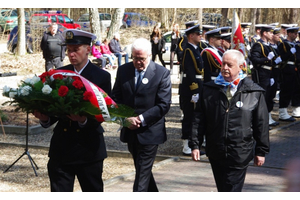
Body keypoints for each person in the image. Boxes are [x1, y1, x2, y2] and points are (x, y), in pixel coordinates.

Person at [33, 29, 111, 192]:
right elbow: (54, 110)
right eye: (69, 50)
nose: (71, 54)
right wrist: (44, 118)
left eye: (76, 49)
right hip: (62, 148)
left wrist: (82, 120)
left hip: (88, 149)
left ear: (88, 49)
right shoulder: (59, 74)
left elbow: (104, 113)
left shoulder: (101, 76)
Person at [189, 49, 270, 192]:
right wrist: (195, 144)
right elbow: (198, 119)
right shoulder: (209, 89)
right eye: (223, 64)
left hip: (240, 151)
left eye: (229, 65)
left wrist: (261, 151)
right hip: (216, 150)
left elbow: (261, 124)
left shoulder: (254, 92)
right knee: (222, 188)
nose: (225, 68)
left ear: (240, 67)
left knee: (232, 189)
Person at [111, 38, 172, 192]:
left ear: (150, 56)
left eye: (142, 59)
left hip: (150, 131)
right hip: (130, 131)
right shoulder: (124, 70)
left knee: (141, 176)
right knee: (142, 169)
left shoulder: (161, 73)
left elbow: (163, 104)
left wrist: (140, 119)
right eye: (135, 58)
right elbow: (115, 99)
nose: (138, 62)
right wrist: (125, 119)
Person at [179, 24, 204, 155]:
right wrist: (194, 90)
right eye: (198, 34)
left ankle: (193, 143)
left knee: (195, 116)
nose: (201, 36)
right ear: (191, 36)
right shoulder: (188, 50)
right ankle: (186, 145)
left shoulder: (196, 49)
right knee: (189, 116)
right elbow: (189, 72)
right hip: (190, 89)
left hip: (197, 86)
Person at [250, 25, 281, 127]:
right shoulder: (258, 45)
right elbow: (255, 60)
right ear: (264, 33)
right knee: (262, 98)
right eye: (270, 32)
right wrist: (267, 59)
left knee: (269, 97)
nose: (272, 35)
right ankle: (260, 121)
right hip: (262, 75)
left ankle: (267, 117)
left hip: (269, 74)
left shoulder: (268, 46)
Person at [278, 26, 300, 120]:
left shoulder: (295, 45)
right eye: (294, 33)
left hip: (295, 68)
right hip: (286, 69)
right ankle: (283, 112)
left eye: (296, 33)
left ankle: (296, 108)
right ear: (289, 33)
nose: (296, 35)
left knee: (295, 89)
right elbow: (281, 57)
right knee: (286, 90)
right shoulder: (283, 44)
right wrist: (290, 53)